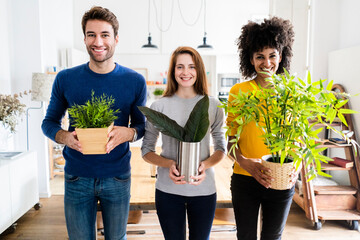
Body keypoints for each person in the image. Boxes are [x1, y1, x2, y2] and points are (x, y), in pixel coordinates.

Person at [41, 6, 146, 240]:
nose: (98, 41)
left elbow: (142, 127)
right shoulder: (66, 79)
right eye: (91, 35)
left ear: (116, 39)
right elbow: (48, 122)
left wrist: (127, 134)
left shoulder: (135, 81)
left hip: (117, 176)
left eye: (105, 35)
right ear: (85, 39)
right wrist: (65, 138)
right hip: (77, 176)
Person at [141, 46, 226, 240]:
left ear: (199, 71)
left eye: (191, 67)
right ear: (173, 71)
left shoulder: (212, 105)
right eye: (180, 67)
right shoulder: (159, 106)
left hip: (204, 190)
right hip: (168, 191)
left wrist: (206, 165)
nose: (185, 72)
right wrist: (169, 164)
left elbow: (221, 147)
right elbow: (146, 151)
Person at [226, 17, 296, 240]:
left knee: (273, 237)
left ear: (281, 56)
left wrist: (297, 168)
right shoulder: (239, 91)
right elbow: (230, 142)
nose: (267, 63)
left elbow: (299, 140)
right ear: (251, 60)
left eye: (272, 55)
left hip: (281, 178)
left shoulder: (292, 93)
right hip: (245, 179)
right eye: (260, 57)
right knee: (245, 237)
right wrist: (246, 163)